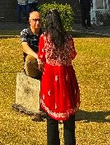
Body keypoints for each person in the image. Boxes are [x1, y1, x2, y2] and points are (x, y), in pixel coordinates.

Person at [38, 8, 80, 145]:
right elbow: (73, 55)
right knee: (69, 117)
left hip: (50, 75)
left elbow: (41, 57)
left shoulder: (44, 38)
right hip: (67, 74)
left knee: (51, 117)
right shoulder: (68, 37)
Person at [19, 9, 42, 79]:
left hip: (43, 64)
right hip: (32, 65)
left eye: (39, 20)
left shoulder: (44, 35)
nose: (37, 23)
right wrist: (37, 57)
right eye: (35, 20)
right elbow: (25, 47)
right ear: (29, 21)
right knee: (30, 59)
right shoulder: (25, 32)